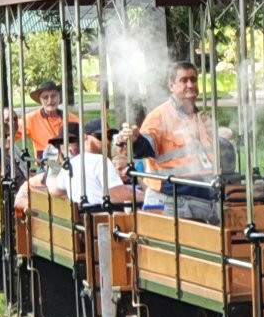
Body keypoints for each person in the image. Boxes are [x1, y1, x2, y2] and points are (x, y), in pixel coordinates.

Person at [125, 61, 220, 223]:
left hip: (203, 200)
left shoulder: (198, 116)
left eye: (193, 79)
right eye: (183, 80)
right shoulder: (159, 116)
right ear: (171, 86)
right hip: (175, 202)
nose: (190, 84)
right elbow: (145, 147)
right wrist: (135, 140)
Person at [49, 119, 139, 206]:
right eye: (100, 137)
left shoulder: (71, 164)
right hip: (105, 217)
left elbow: (54, 190)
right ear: (85, 138)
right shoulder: (100, 161)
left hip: (85, 216)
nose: (107, 141)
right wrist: (146, 197)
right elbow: (120, 195)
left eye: (109, 136)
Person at [22, 80, 79, 159]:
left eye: (53, 96)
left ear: (59, 97)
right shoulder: (30, 119)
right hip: (44, 164)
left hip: (70, 160)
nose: (50, 100)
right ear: (40, 100)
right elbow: (10, 134)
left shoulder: (72, 119)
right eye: (45, 97)